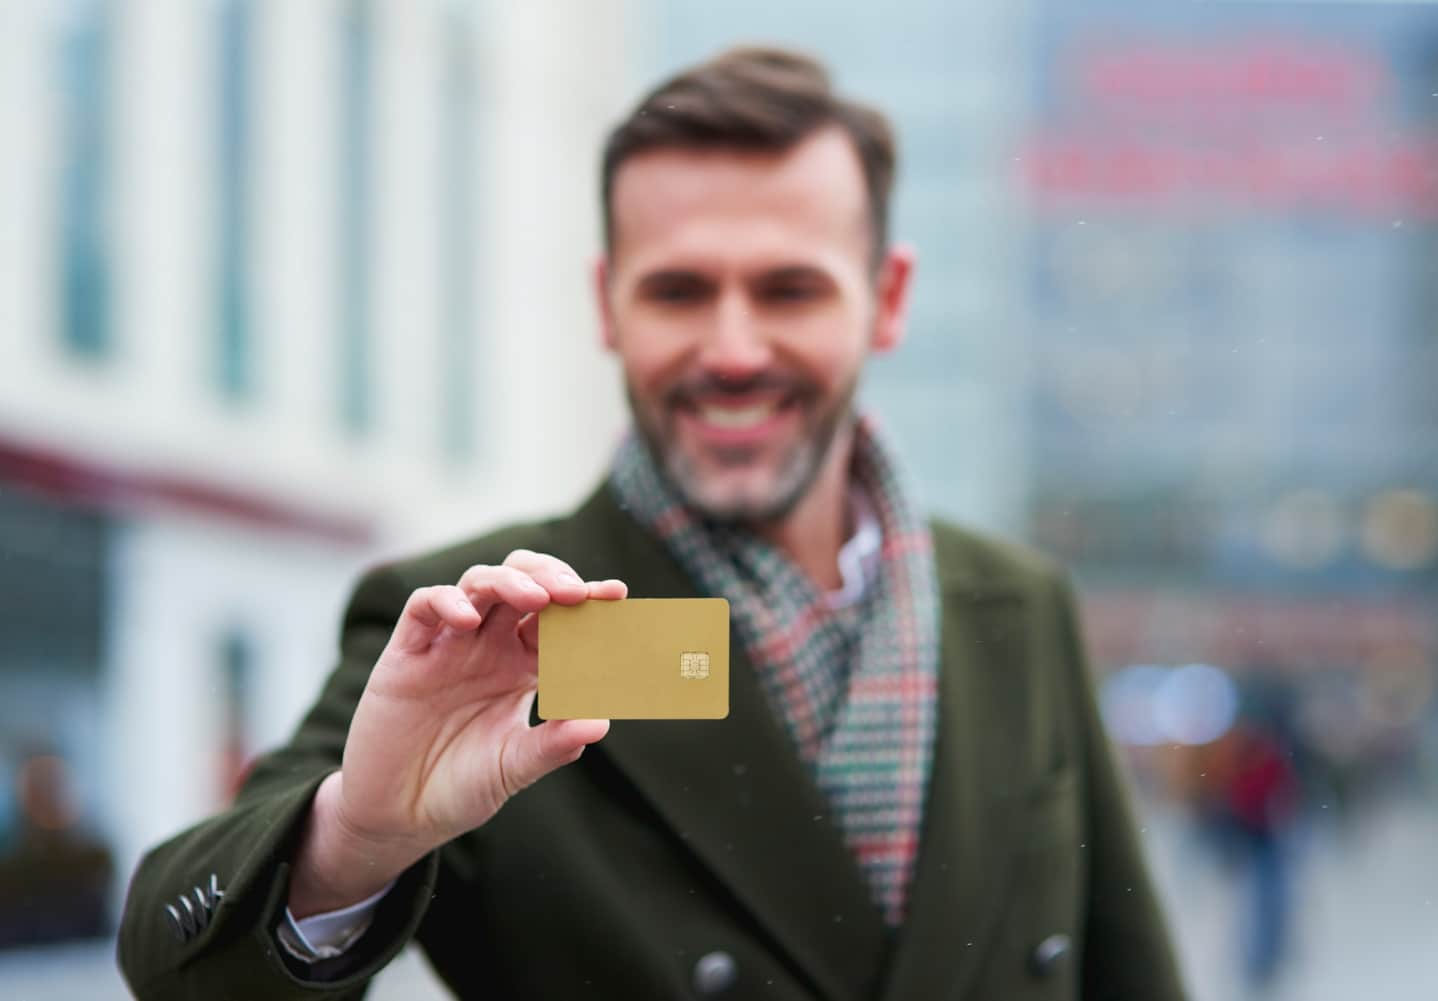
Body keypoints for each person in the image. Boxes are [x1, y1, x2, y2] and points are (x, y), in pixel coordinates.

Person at [118, 47, 1186, 1000]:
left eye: (788, 289)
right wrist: (358, 834)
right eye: (678, 290)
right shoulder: (482, 624)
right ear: (607, 304)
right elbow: (176, 968)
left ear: (887, 298)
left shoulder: (1015, 604)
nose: (731, 347)